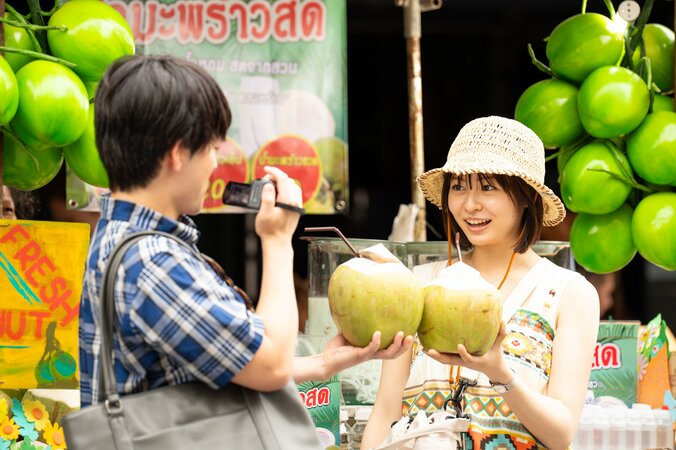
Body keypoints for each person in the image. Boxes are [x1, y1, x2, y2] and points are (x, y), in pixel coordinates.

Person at [79, 54, 410, 408]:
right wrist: (278, 240)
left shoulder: (120, 236)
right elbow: (271, 365)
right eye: (209, 148)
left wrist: (323, 364)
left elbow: (229, 361)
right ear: (177, 154)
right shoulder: (153, 262)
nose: (215, 163)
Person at [362, 116, 599, 450]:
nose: (470, 204)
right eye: (459, 186)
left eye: (487, 187)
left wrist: (501, 373)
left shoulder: (567, 293)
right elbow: (385, 411)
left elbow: (561, 434)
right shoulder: (418, 284)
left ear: (528, 198)